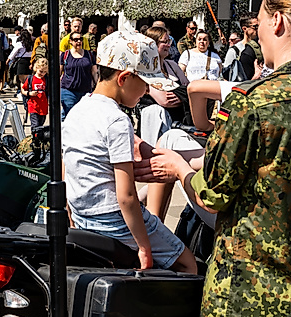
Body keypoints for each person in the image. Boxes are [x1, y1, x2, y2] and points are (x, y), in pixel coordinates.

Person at [140, 0, 291, 317]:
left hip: (252, 308)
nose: (259, 31)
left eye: (261, 20)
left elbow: (211, 195)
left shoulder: (252, 102)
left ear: (278, 22)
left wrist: (179, 167)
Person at [62, 31, 196, 273]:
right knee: (187, 264)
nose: (146, 91)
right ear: (123, 78)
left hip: (83, 215)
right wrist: (143, 246)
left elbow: (67, 167)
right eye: (145, 83)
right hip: (113, 218)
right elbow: (126, 196)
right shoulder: (117, 121)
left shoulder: (78, 110)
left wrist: (70, 213)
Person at [59, 31, 96, 120]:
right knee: (70, 115)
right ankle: (63, 132)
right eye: (75, 40)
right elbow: (59, 71)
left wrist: (97, 86)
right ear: (70, 41)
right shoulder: (65, 55)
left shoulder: (89, 54)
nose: (78, 41)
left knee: (83, 116)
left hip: (85, 91)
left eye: (80, 39)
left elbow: (94, 72)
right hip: (68, 90)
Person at [7, 28, 34, 98]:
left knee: (22, 81)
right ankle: (27, 92)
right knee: (28, 79)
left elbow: (13, 53)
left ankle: (23, 93)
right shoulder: (31, 44)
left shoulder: (20, 44)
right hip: (29, 62)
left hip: (21, 62)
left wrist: (8, 60)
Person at [23, 57, 49, 129]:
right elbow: (23, 90)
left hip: (43, 107)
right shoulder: (31, 79)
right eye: (41, 71)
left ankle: (38, 138)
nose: (42, 73)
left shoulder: (46, 79)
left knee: (41, 125)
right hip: (33, 106)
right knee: (35, 125)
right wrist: (29, 93)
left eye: (44, 72)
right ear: (36, 68)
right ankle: (35, 138)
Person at [238, 15, 263, 79]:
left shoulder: (262, 46)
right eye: (255, 27)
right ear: (244, 29)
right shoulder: (236, 50)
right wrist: (256, 76)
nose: (258, 29)